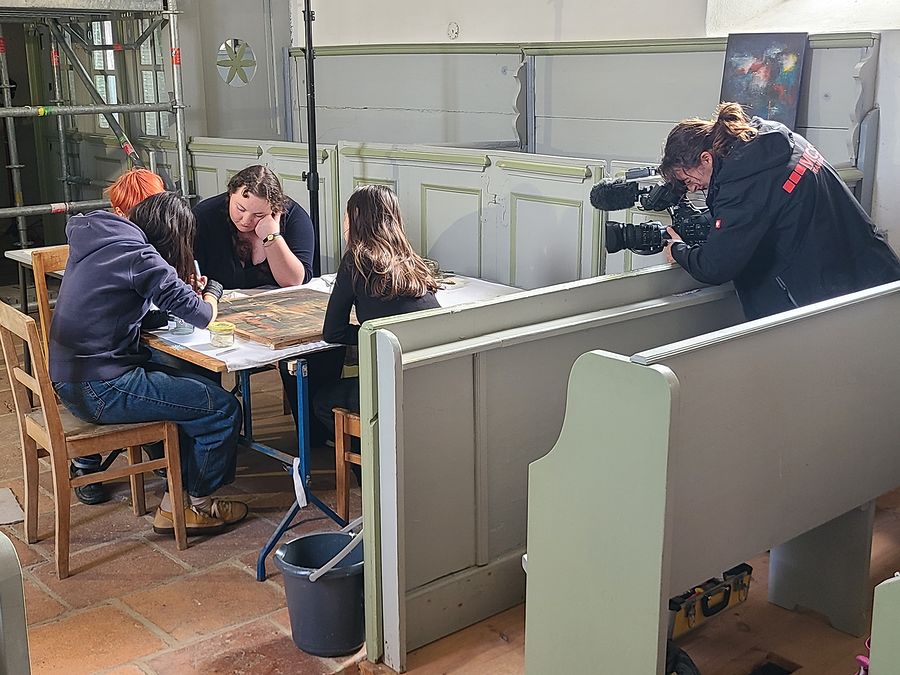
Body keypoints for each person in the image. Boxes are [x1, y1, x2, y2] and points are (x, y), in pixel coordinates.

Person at [50, 192, 248, 537]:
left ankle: (174, 499)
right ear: (174, 236)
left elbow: (117, 302)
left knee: (196, 384)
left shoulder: (102, 234)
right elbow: (203, 315)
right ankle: (197, 505)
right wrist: (212, 291)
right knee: (222, 409)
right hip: (99, 387)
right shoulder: (141, 257)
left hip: (75, 377)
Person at [659, 102, 900, 320]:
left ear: (706, 159)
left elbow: (715, 266)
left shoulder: (741, 182)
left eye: (688, 179)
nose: (692, 188)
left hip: (828, 304)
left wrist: (678, 250)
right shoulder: (774, 138)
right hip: (874, 274)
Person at [192, 165, 344, 446]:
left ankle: (316, 434)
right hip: (219, 312)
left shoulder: (293, 217)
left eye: (258, 215)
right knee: (198, 361)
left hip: (281, 314)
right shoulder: (205, 217)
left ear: (275, 209)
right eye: (240, 208)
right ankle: (211, 438)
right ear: (230, 195)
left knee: (320, 346)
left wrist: (271, 236)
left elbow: (295, 281)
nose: (246, 220)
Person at [312, 184, 440, 466]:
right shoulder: (414, 263)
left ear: (355, 218)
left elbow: (332, 331)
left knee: (322, 401)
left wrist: (373, 335)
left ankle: (370, 473)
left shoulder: (356, 261)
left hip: (391, 385)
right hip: (428, 380)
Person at [67, 168, 167, 506]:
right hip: (93, 370)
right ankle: (87, 461)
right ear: (121, 214)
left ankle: (158, 441)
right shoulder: (118, 247)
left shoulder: (102, 236)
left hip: (100, 356)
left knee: (164, 362)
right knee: (172, 374)